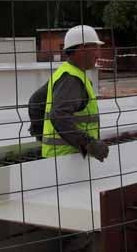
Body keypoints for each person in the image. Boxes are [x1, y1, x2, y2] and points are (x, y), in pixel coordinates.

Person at [31, 25, 110, 161]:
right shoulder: (70, 79)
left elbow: (35, 102)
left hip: (66, 157)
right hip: (66, 160)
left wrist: (41, 133)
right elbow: (59, 115)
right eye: (94, 48)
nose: (98, 54)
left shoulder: (69, 73)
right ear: (81, 49)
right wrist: (88, 143)